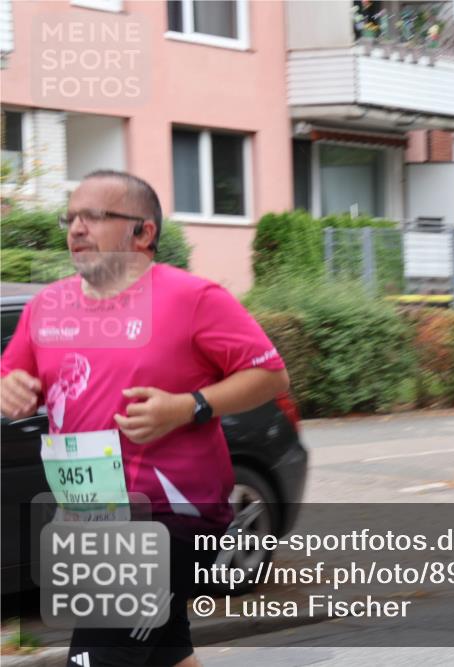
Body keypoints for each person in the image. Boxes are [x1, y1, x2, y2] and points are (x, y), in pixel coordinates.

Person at [0, 170, 290, 667]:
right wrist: (9, 389)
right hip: (93, 515)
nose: (76, 229)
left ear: (143, 232)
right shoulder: (48, 306)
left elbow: (270, 375)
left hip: (171, 516)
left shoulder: (193, 299)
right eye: (70, 217)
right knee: (167, 653)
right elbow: (12, 374)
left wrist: (188, 406)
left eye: (94, 216)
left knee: (96, 658)